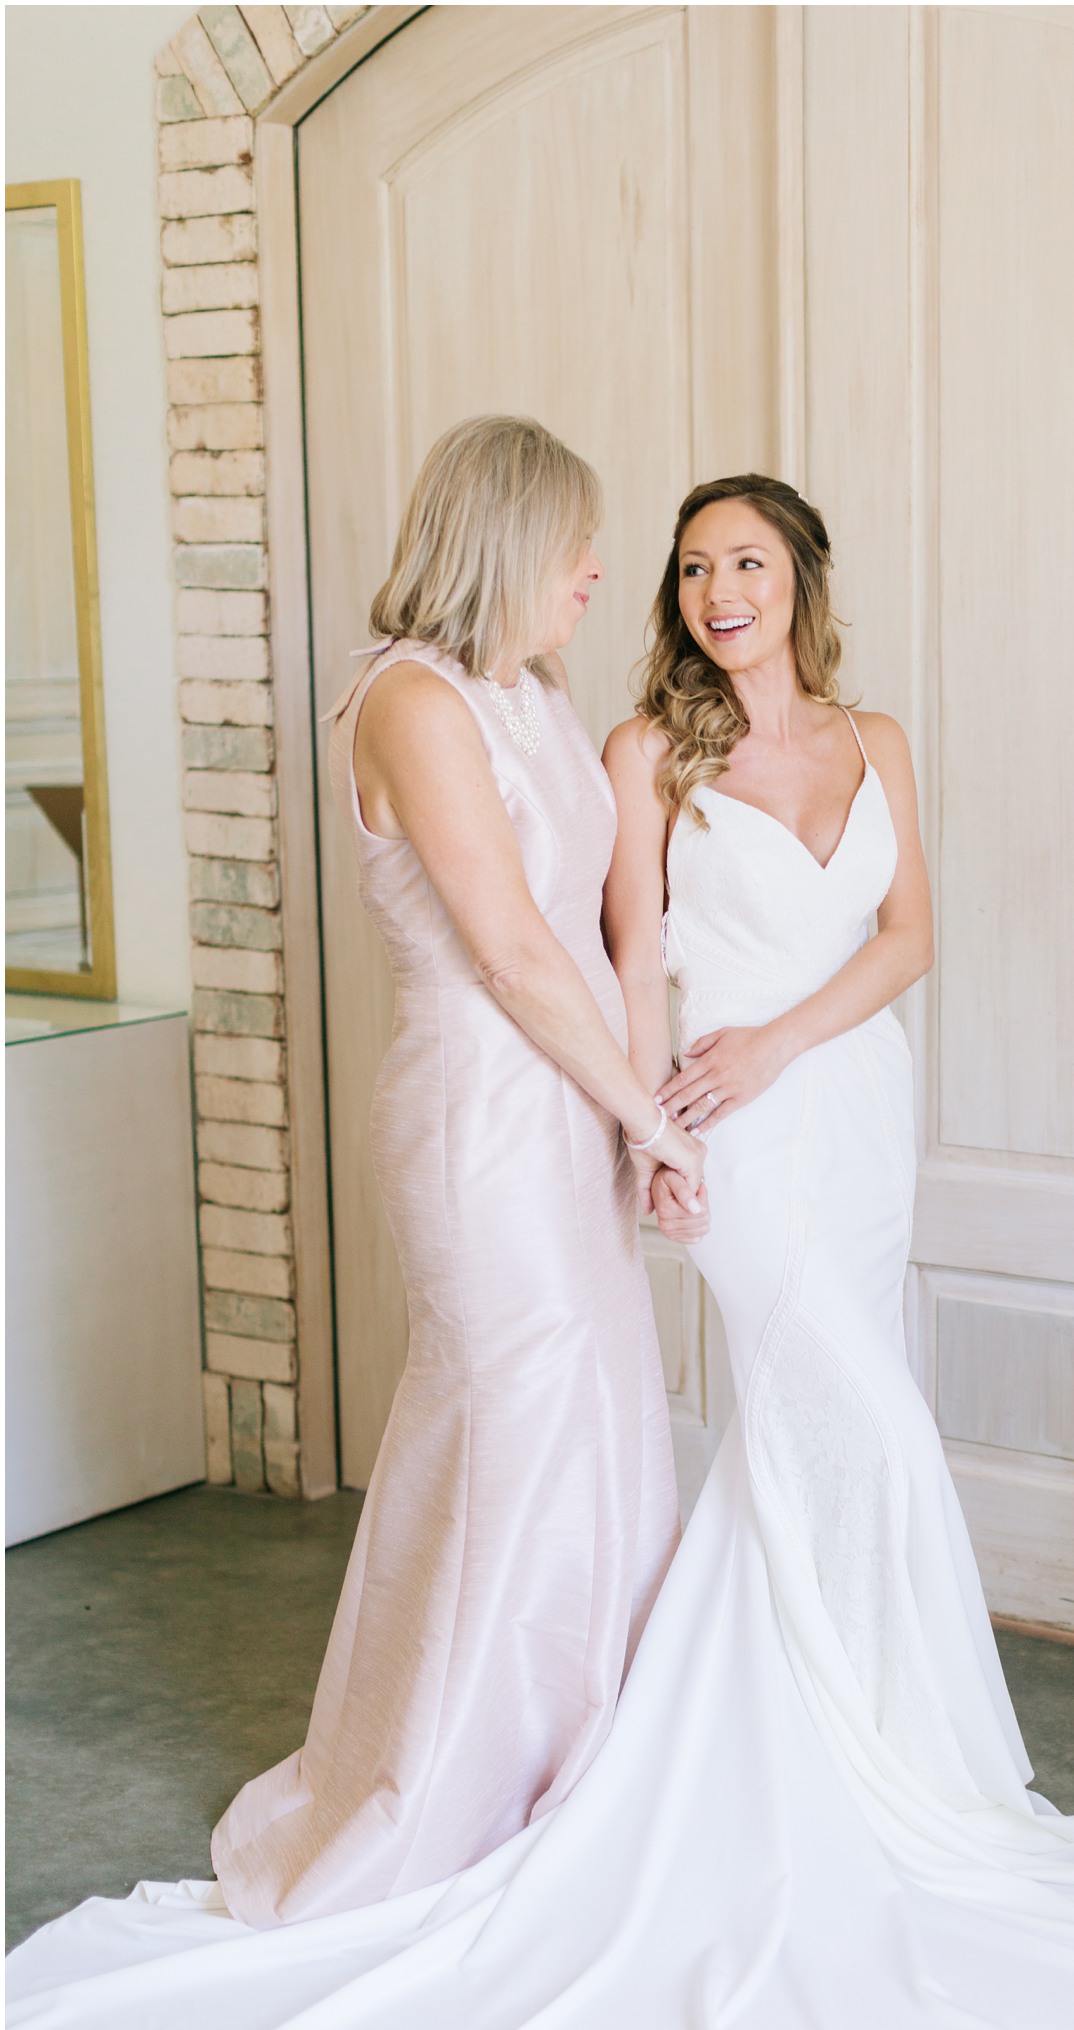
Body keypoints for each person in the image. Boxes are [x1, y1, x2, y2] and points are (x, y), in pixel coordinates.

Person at [5, 474, 1074, 2030]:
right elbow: (620, 960)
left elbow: (908, 939)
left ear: (801, 576)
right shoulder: (635, 753)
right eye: (685, 567)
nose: (710, 587)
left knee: (808, 1448)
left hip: (851, 1118)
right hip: (722, 1136)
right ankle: (875, 1775)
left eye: (744, 560)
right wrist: (675, 1106)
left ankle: (854, 1743)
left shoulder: (879, 736)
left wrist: (789, 1042)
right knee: (863, 1426)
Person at [210, 415, 701, 1926]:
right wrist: (649, 1113)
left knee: (603, 1412)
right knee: (510, 1420)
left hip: (570, 1098)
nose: (599, 574)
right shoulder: (411, 702)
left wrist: (643, 1102)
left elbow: (619, 925)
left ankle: (589, 1764)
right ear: (504, 540)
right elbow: (506, 946)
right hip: (482, 1115)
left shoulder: (536, 693)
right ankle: (446, 1783)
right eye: (577, 546)